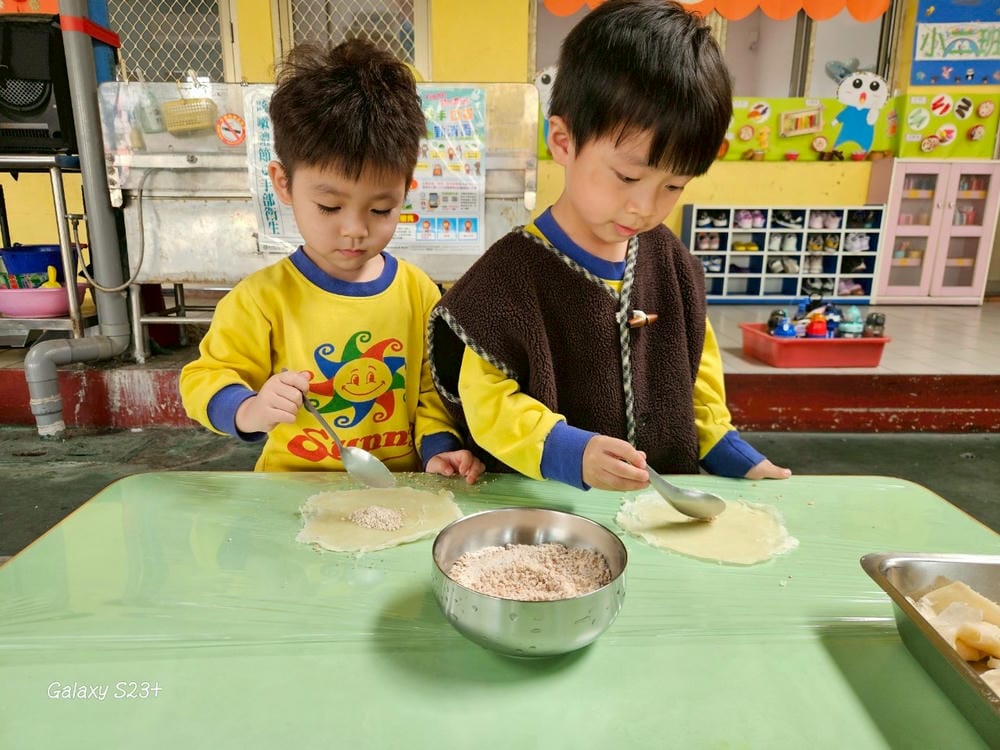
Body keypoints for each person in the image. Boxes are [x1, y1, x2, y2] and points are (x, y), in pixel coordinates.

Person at [428, 0, 789, 492]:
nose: (645, 207)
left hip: (658, 508)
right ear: (563, 142)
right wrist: (568, 451)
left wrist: (734, 455)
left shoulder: (672, 263)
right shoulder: (506, 277)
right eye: (627, 177)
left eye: (674, 186)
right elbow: (486, 402)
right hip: (548, 512)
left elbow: (697, 380)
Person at [180, 39, 483, 483]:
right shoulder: (262, 300)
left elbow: (430, 392)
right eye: (329, 206)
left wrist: (440, 449)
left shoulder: (417, 292)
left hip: (399, 489)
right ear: (283, 183)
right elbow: (206, 376)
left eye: (380, 209)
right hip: (291, 487)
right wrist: (249, 409)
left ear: (405, 190)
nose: (355, 229)